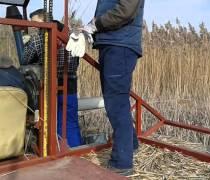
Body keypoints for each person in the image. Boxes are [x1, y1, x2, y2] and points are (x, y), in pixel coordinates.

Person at [92, 0, 145, 175]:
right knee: (118, 100)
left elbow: (126, 10)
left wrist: (96, 24)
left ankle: (121, 164)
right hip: (114, 42)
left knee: (116, 103)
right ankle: (131, 144)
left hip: (119, 44)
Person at [24, 9, 82, 147]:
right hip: (70, 82)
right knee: (70, 121)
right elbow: (77, 58)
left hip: (50, 84)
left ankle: (56, 150)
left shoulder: (39, 38)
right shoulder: (70, 35)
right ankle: (76, 150)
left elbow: (25, 59)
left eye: (35, 22)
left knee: (51, 121)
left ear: (45, 20)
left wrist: (25, 43)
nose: (33, 26)